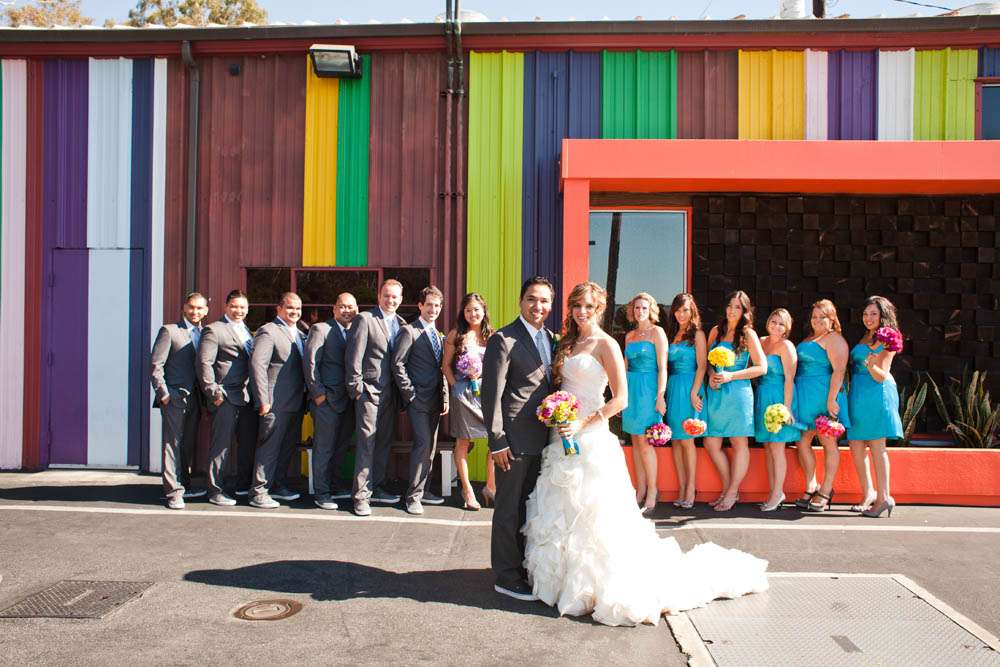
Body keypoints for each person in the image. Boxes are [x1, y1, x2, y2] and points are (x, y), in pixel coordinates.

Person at [523, 282, 768, 627]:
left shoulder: (607, 344)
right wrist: (560, 415)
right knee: (561, 508)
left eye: (589, 306)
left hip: (590, 437)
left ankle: (592, 583)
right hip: (560, 436)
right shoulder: (566, 343)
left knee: (593, 515)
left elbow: (620, 399)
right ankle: (561, 579)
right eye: (577, 305)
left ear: (599, 309)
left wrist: (582, 423)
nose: (582, 312)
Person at [481, 276, 555, 601]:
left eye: (544, 301)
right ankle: (506, 576)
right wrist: (497, 440)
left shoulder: (551, 338)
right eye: (532, 299)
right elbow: (490, 395)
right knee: (508, 510)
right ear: (520, 301)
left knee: (529, 508)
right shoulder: (504, 339)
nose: (538, 306)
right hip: (512, 440)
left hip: (543, 440)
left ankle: (523, 566)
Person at [346, 279, 408, 516]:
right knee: (366, 444)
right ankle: (360, 496)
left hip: (391, 395)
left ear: (401, 300)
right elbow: (354, 355)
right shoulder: (365, 319)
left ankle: (377, 487)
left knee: (383, 443)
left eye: (395, 297)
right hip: (369, 393)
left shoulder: (401, 324)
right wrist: (357, 389)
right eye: (386, 295)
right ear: (379, 296)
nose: (390, 300)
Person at [702, 291, 767, 512]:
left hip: (738, 392)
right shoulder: (715, 331)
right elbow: (706, 362)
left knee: (739, 443)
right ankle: (729, 487)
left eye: (737, 307)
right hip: (716, 392)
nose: (732, 310)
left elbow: (762, 367)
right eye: (730, 306)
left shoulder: (748, 334)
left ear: (744, 311)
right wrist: (712, 375)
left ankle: (731, 491)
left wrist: (732, 375)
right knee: (711, 443)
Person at [392, 286, 449, 515]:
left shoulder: (439, 335)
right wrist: (410, 394)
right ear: (420, 306)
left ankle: (424, 490)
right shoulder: (409, 331)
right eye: (429, 305)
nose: (433, 309)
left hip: (435, 400)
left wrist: (445, 397)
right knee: (423, 444)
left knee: (431, 447)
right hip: (417, 400)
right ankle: (412, 497)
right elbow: (398, 364)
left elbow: (441, 369)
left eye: (437, 305)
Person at [198, 289, 258, 506]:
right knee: (221, 445)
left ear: (247, 309)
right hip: (224, 396)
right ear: (226, 307)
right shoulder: (214, 330)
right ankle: (215, 490)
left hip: (245, 396)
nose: (238, 310)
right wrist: (214, 393)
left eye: (242, 307)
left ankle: (241, 485)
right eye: (234, 306)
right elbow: (204, 363)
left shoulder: (247, 331)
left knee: (247, 445)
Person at [248, 292, 307, 509]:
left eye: (298, 309)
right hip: (274, 402)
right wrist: (263, 399)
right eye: (290, 308)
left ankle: (277, 485)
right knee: (269, 447)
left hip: (295, 402)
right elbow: (258, 366)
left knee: (286, 447)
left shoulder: (300, 333)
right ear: (279, 309)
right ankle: (258, 491)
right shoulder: (268, 331)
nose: (295, 312)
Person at [150, 292, 209, 509]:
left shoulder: (206, 333)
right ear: (184, 307)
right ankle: (173, 492)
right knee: (172, 444)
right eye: (191, 307)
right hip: (174, 397)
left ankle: (184, 484)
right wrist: (164, 394)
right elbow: (156, 365)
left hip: (196, 399)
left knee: (186, 444)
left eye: (199, 308)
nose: (195, 311)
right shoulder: (169, 331)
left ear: (206, 311)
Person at [846, 296, 904, 518]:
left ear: (883, 315)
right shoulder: (865, 336)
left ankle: (884, 497)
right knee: (856, 444)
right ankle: (868, 493)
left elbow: (881, 375)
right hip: (858, 394)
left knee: (877, 446)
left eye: (873, 314)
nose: (868, 318)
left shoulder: (889, 337)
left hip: (877, 393)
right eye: (865, 313)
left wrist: (871, 365)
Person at [794, 299, 851, 513]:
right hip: (805, 395)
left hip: (824, 393)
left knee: (828, 441)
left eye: (822, 317)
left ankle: (826, 489)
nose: (817, 320)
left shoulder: (834, 339)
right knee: (803, 441)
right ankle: (812, 485)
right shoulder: (809, 338)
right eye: (814, 317)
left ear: (832, 319)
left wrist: (831, 399)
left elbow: (839, 370)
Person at [303, 292, 359, 510]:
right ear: (334, 309)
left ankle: (334, 486)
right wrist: (318, 394)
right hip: (326, 401)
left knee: (341, 447)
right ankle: (322, 493)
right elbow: (310, 363)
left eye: (351, 307)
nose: (347, 311)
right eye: (343, 306)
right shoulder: (321, 329)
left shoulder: (356, 331)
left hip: (348, 401)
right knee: (324, 448)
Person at [442, 292, 494, 510]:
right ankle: (467, 490)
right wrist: (456, 387)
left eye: (476, 310)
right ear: (463, 313)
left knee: (495, 440)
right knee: (463, 442)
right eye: (468, 310)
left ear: (484, 311)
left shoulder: (492, 335)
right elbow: (446, 366)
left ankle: (490, 486)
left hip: (486, 394)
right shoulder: (456, 334)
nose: (473, 314)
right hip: (463, 395)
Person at [621, 292, 669, 513]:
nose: (640, 311)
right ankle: (640, 490)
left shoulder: (657, 332)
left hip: (649, 390)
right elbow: (624, 368)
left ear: (651, 311)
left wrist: (660, 395)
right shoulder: (629, 336)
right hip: (631, 389)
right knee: (636, 442)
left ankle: (652, 491)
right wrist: (620, 395)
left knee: (646, 443)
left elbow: (663, 368)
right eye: (637, 307)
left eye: (644, 308)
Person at [753, 309, 799, 512]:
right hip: (763, 395)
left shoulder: (787, 346)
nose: (776, 326)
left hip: (779, 396)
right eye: (774, 321)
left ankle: (778, 492)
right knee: (768, 446)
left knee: (777, 447)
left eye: (781, 324)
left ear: (787, 328)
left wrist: (786, 408)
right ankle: (774, 492)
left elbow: (789, 379)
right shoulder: (761, 342)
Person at [664, 293, 706, 510]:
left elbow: (702, 366)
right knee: (676, 441)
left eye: (685, 310)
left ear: (692, 312)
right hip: (673, 387)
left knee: (688, 440)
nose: (681, 314)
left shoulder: (697, 334)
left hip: (690, 386)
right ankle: (681, 488)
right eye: (678, 310)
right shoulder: (671, 334)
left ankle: (691, 489)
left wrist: (694, 392)